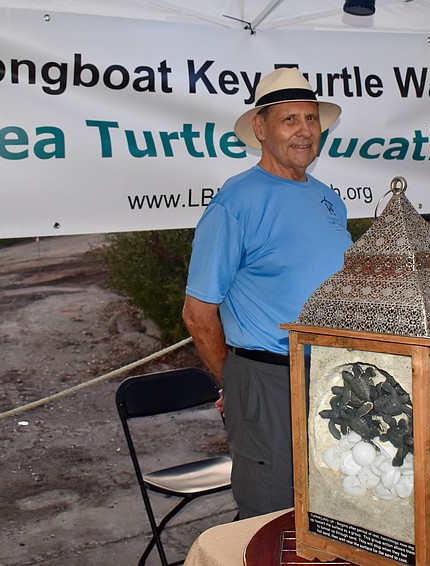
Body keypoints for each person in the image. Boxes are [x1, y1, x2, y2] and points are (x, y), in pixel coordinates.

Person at [182, 67, 352, 518]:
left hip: (337, 379)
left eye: (311, 119)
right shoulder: (235, 203)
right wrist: (236, 384)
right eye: (289, 119)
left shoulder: (328, 200)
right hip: (268, 380)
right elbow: (198, 315)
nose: (304, 131)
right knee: (271, 516)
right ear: (261, 128)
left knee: (334, 508)